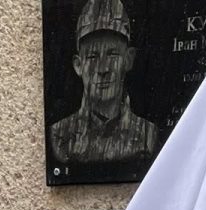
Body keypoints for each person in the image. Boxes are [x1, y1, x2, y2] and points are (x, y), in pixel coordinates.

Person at [50, 0, 157, 169]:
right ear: (78, 65)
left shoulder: (148, 135)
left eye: (112, 54)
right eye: (92, 57)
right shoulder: (59, 136)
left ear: (128, 59)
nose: (103, 69)